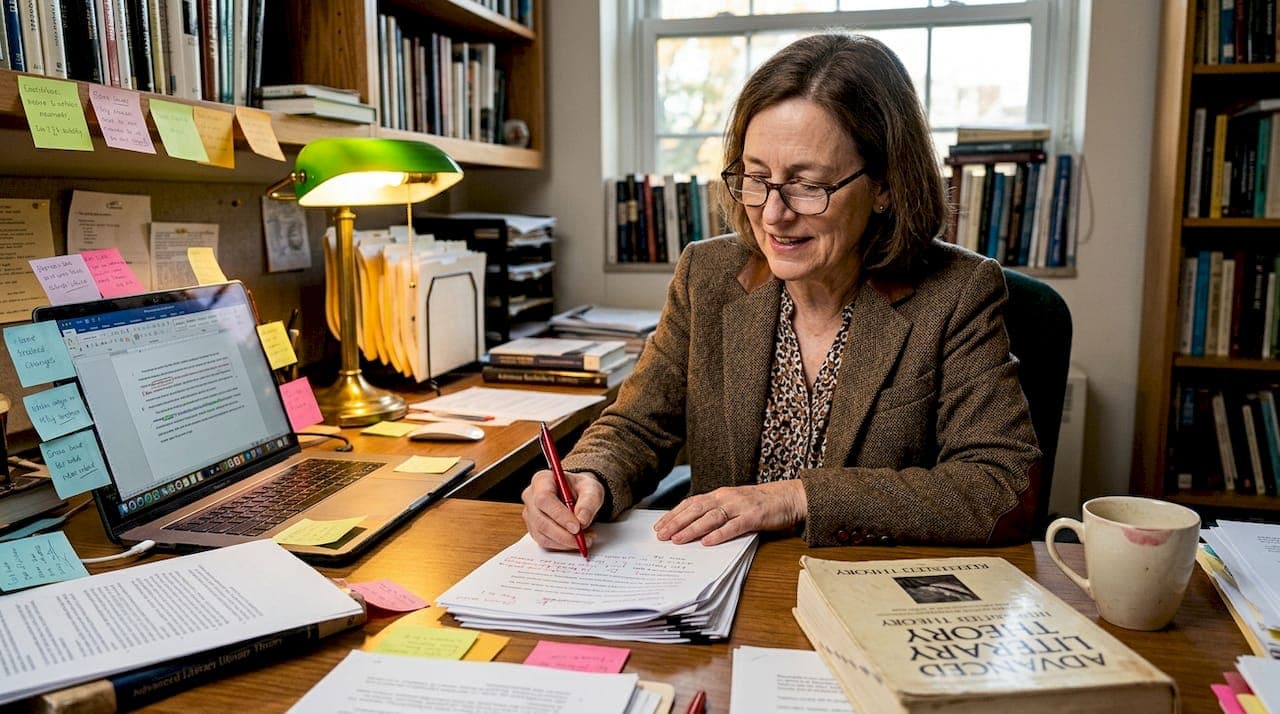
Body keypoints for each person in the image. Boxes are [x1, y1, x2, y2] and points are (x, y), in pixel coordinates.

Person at [522, 33, 1040, 550]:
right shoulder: (707, 275)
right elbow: (638, 425)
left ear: (884, 185)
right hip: (715, 590)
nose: (773, 215)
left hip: (862, 595)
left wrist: (796, 498)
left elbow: (999, 486)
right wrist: (588, 478)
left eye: (807, 185)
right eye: (756, 177)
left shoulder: (956, 292)